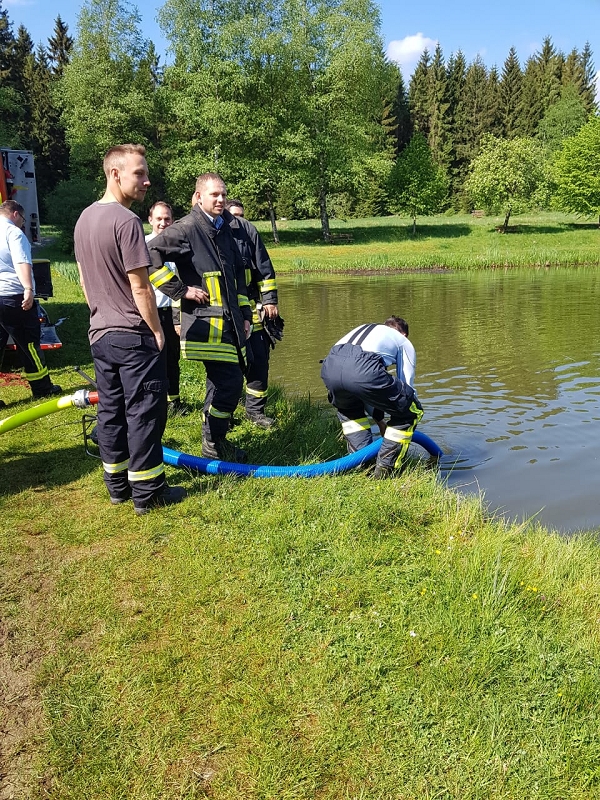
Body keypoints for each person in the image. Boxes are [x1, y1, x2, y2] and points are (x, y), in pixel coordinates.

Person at [74, 144, 188, 515]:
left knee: (111, 410)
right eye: (139, 173)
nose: (146, 180)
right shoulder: (126, 222)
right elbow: (140, 286)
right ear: (115, 173)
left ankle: (118, 486)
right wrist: (156, 331)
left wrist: (99, 313)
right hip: (132, 335)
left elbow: (84, 281)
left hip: (100, 333)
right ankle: (148, 491)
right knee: (144, 412)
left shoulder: (84, 219)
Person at [147, 172, 253, 462]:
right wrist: (180, 290)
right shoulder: (187, 228)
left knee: (221, 383)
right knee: (230, 383)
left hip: (230, 324)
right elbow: (148, 253)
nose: (220, 200)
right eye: (214, 194)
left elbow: (237, 278)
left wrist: (245, 313)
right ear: (198, 197)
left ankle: (214, 440)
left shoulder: (224, 228)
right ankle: (214, 440)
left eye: (223, 194)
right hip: (207, 327)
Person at [320, 316, 423, 478]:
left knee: (350, 410)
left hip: (330, 367)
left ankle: (362, 464)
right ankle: (385, 471)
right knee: (411, 410)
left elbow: (366, 391)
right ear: (404, 335)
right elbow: (407, 389)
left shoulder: (369, 329)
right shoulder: (403, 342)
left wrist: (380, 421)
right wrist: (399, 419)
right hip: (362, 367)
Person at [224, 198, 279, 428]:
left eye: (241, 215)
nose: (238, 220)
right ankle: (223, 415)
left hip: (253, 309)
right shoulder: (213, 235)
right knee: (228, 366)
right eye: (233, 215)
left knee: (259, 362)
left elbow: (265, 269)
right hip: (225, 313)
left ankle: (255, 412)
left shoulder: (249, 233)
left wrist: (270, 300)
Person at [0, 199, 61, 399]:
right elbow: (21, 262)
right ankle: (42, 388)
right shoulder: (13, 233)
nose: (23, 223)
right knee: (29, 344)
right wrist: (28, 289)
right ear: (15, 214)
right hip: (14, 296)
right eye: (23, 219)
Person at [145, 201, 187, 415]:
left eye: (167, 219)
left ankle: (174, 402)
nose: (163, 223)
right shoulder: (142, 246)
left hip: (171, 312)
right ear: (150, 220)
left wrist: (179, 318)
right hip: (148, 312)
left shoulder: (178, 247)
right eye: (159, 219)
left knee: (172, 358)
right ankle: (152, 401)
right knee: (150, 358)